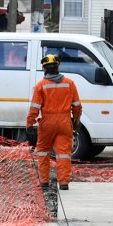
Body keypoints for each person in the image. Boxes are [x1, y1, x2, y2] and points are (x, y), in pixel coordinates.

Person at [25, 54, 82, 190]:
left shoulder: (41, 86)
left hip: (47, 123)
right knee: (63, 153)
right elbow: (77, 106)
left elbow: (35, 108)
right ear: (58, 67)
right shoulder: (69, 83)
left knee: (43, 152)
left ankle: (44, 183)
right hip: (64, 122)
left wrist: (30, 124)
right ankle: (63, 183)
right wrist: (75, 120)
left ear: (44, 68)